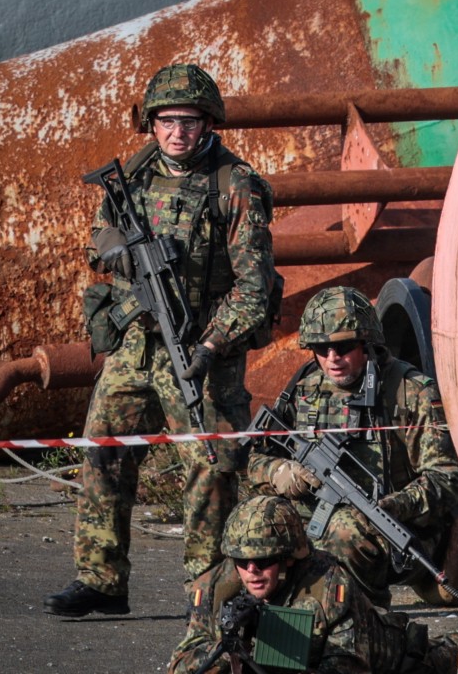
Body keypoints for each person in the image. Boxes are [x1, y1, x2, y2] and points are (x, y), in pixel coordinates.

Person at [44, 63, 277, 617]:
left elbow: (255, 288)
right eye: (167, 121)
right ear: (151, 123)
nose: (178, 132)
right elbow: (99, 233)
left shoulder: (235, 185)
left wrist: (211, 345)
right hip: (135, 344)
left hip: (201, 347)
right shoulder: (135, 174)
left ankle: (210, 589)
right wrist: (114, 248)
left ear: (208, 123)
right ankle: (100, 579)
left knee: (213, 465)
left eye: (189, 121)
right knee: (103, 451)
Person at [169, 496, 458, 674]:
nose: (251, 571)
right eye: (243, 561)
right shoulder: (217, 589)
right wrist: (227, 657)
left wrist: (267, 654)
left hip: (397, 660)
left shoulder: (327, 586)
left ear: (289, 557)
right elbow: (185, 659)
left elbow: (348, 668)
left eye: (264, 561)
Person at [246, 286, 458, 608]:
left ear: (367, 343)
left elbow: (447, 479)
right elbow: (255, 459)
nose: (332, 358)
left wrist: (395, 505)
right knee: (249, 527)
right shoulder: (304, 388)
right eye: (321, 348)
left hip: (397, 532)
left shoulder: (409, 391)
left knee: (344, 529)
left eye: (344, 346)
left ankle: (364, 620)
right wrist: (281, 472)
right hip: (312, 517)